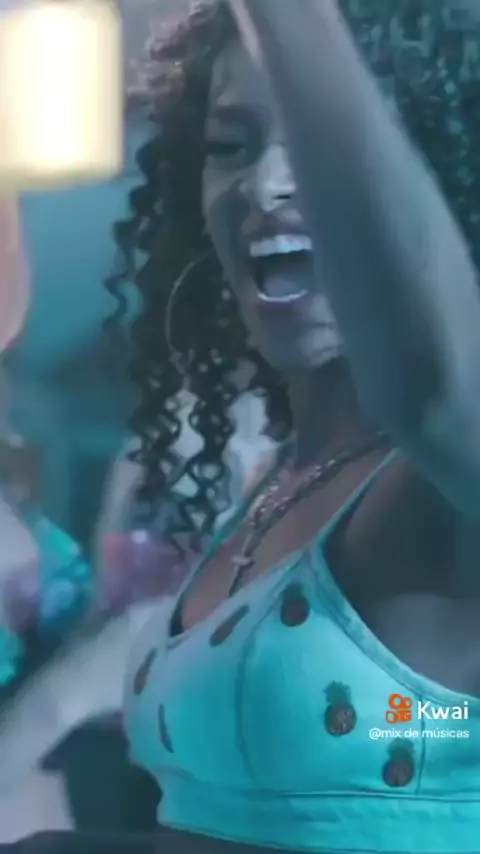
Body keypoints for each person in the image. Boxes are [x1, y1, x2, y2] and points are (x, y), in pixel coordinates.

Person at [5, 0, 480, 851]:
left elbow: (435, 387)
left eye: (318, 150)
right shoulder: (286, 478)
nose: (264, 185)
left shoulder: (442, 466)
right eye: (231, 145)